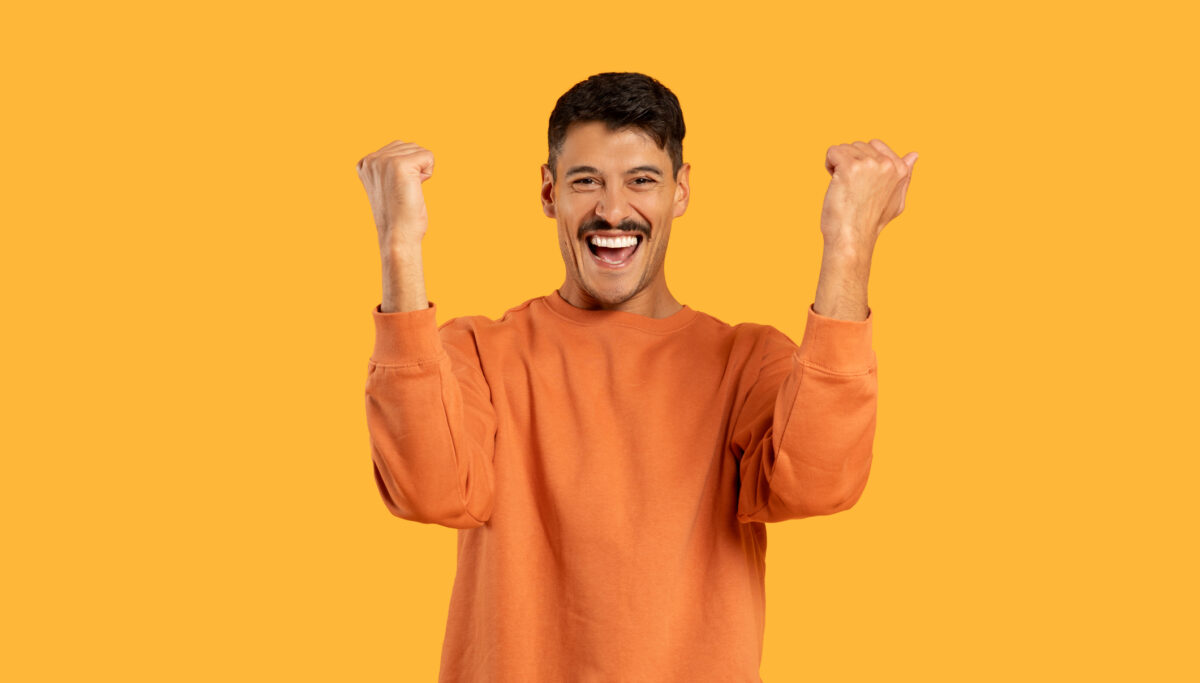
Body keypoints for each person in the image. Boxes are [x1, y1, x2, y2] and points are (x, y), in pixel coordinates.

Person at [356, 72, 917, 682]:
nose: (613, 209)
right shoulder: (479, 354)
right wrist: (399, 246)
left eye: (642, 180)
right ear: (549, 192)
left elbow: (819, 482)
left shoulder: (744, 364)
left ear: (680, 190)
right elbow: (426, 489)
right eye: (586, 181)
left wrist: (849, 246)